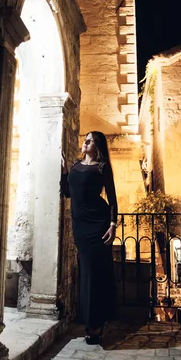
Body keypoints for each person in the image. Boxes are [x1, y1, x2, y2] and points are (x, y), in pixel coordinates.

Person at [60, 131, 118, 344]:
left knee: (96, 274)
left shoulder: (102, 167)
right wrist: (65, 169)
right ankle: (91, 321)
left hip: (98, 225)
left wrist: (113, 224)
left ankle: (95, 324)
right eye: (86, 139)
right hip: (81, 227)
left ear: (98, 146)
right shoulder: (75, 165)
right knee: (86, 273)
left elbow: (112, 199)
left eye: (91, 140)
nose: (85, 142)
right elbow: (67, 193)